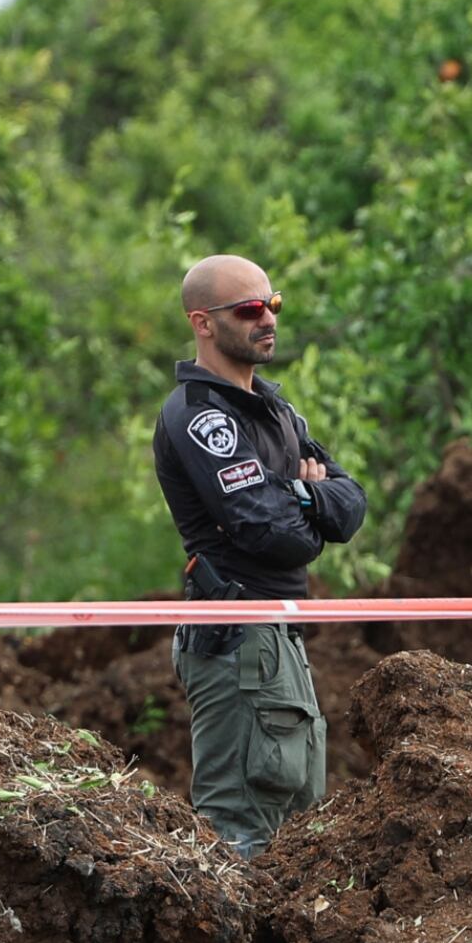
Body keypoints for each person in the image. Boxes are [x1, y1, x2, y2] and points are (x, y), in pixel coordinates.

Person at [150, 255, 366, 856]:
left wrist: (302, 495)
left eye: (274, 304)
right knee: (242, 835)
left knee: (297, 832)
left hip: (279, 637)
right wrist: (309, 506)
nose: (267, 318)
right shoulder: (199, 416)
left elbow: (351, 502)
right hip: (237, 633)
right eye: (249, 309)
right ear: (203, 322)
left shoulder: (275, 409)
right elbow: (270, 533)